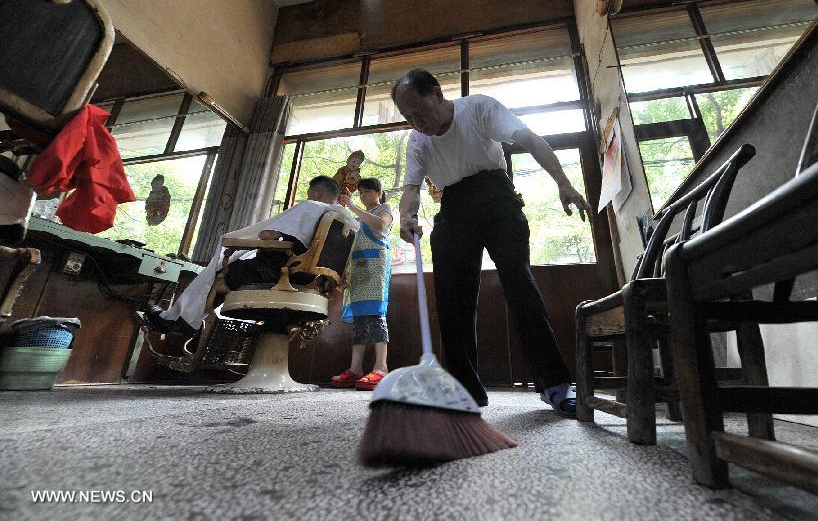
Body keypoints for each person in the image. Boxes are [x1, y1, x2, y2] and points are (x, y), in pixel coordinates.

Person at [392, 68, 591, 418]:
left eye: (419, 111)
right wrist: (406, 217)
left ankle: (555, 385)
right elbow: (411, 188)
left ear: (437, 93)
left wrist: (563, 181)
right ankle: (466, 392)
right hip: (453, 206)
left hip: (497, 196)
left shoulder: (479, 108)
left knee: (520, 284)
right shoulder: (418, 141)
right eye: (408, 117)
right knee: (453, 300)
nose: (416, 121)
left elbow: (529, 138)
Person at [141, 176, 358, 336]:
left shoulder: (311, 206)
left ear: (317, 193)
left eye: (311, 193)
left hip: (274, 274)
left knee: (221, 273)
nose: (309, 196)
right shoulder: (345, 221)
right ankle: (187, 321)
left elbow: (268, 235)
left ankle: (183, 322)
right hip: (311, 282)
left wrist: (267, 234)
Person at [330, 178, 394, 390]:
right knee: (360, 319)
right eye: (361, 193)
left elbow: (380, 224)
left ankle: (381, 368)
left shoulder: (384, 208)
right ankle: (355, 368)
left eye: (367, 192)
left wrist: (352, 206)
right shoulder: (359, 215)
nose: (363, 196)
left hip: (376, 268)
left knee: (376, 316)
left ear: (379, 192)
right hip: (358, 269)